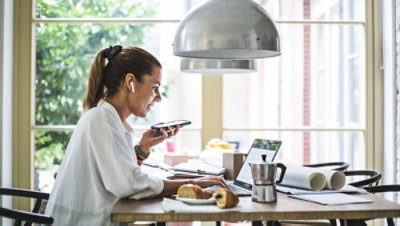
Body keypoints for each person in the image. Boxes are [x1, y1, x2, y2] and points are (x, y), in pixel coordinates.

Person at [44, 45, 227, 225]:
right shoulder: (101, 119)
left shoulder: (108, 119)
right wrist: (193, 183)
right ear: (130, 81)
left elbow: (122, 175)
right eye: (155, 87)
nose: (158, 97)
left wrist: (143, 148)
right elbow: (128, 185)